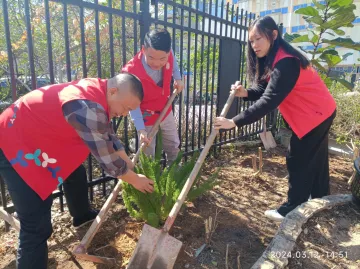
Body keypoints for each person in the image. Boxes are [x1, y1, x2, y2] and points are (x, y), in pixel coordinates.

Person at [0, 73, 154, 269]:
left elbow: (107, 133)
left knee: (75, 172)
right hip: (14, 143)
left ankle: (82, 216)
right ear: (113, 91)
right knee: (36, 227)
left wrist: (128, 162)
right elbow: (107, 161)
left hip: (34, 135)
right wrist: (134, 179)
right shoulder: (86, 105)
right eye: (126, 108)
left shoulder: (99, 91)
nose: (124, 114)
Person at [213, 16, 336, 222]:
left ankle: (291, 209)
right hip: (319, 111)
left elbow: (269, 100)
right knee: (317, 159)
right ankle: (321, 200)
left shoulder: (286, 61)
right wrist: (245, 93)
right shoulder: (274, 57)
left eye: (258, 39)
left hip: (315, 115)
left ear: (273, 35)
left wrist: (234, 122)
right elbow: (264, 89)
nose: (254, 45)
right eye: (251, 41)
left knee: (297, 160)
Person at [122, 28, 184, 164]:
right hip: (145, 115)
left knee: (173, 145)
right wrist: (141, 129)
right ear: (143, 49)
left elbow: (173, 64)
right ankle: (148, 184)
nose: (156, 63)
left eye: (162, 59)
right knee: (147, 154)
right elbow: (133, 104)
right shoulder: (131, 71)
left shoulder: (169, 53)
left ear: (168, 52)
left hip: (165, 109)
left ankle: (176, 179)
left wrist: (178, 78)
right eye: (151, 58)